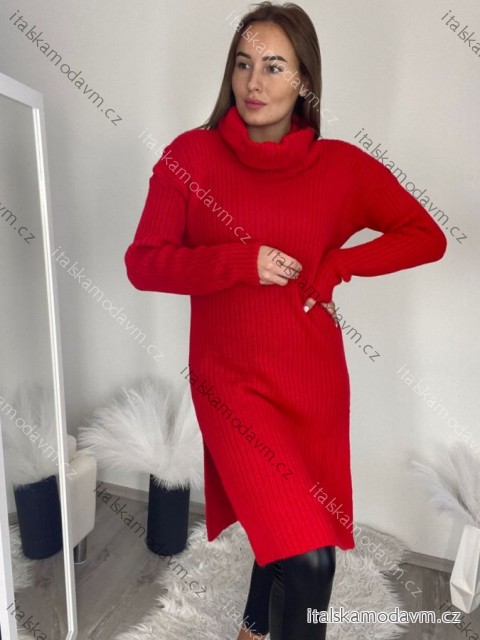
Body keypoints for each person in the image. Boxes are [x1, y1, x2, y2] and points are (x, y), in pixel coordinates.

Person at [124, 3, 447, 638]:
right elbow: (144, 263)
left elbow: (425, 235)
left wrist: (337, 266)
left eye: (274, 66)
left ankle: (253, 625)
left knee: (291, 524)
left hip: (313, 383)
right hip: (231, 384)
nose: (254, 82)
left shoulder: (341, 168)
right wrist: (238, 262)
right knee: (311, 556)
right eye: (243, 64)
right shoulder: (191, 156)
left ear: (304, 80)